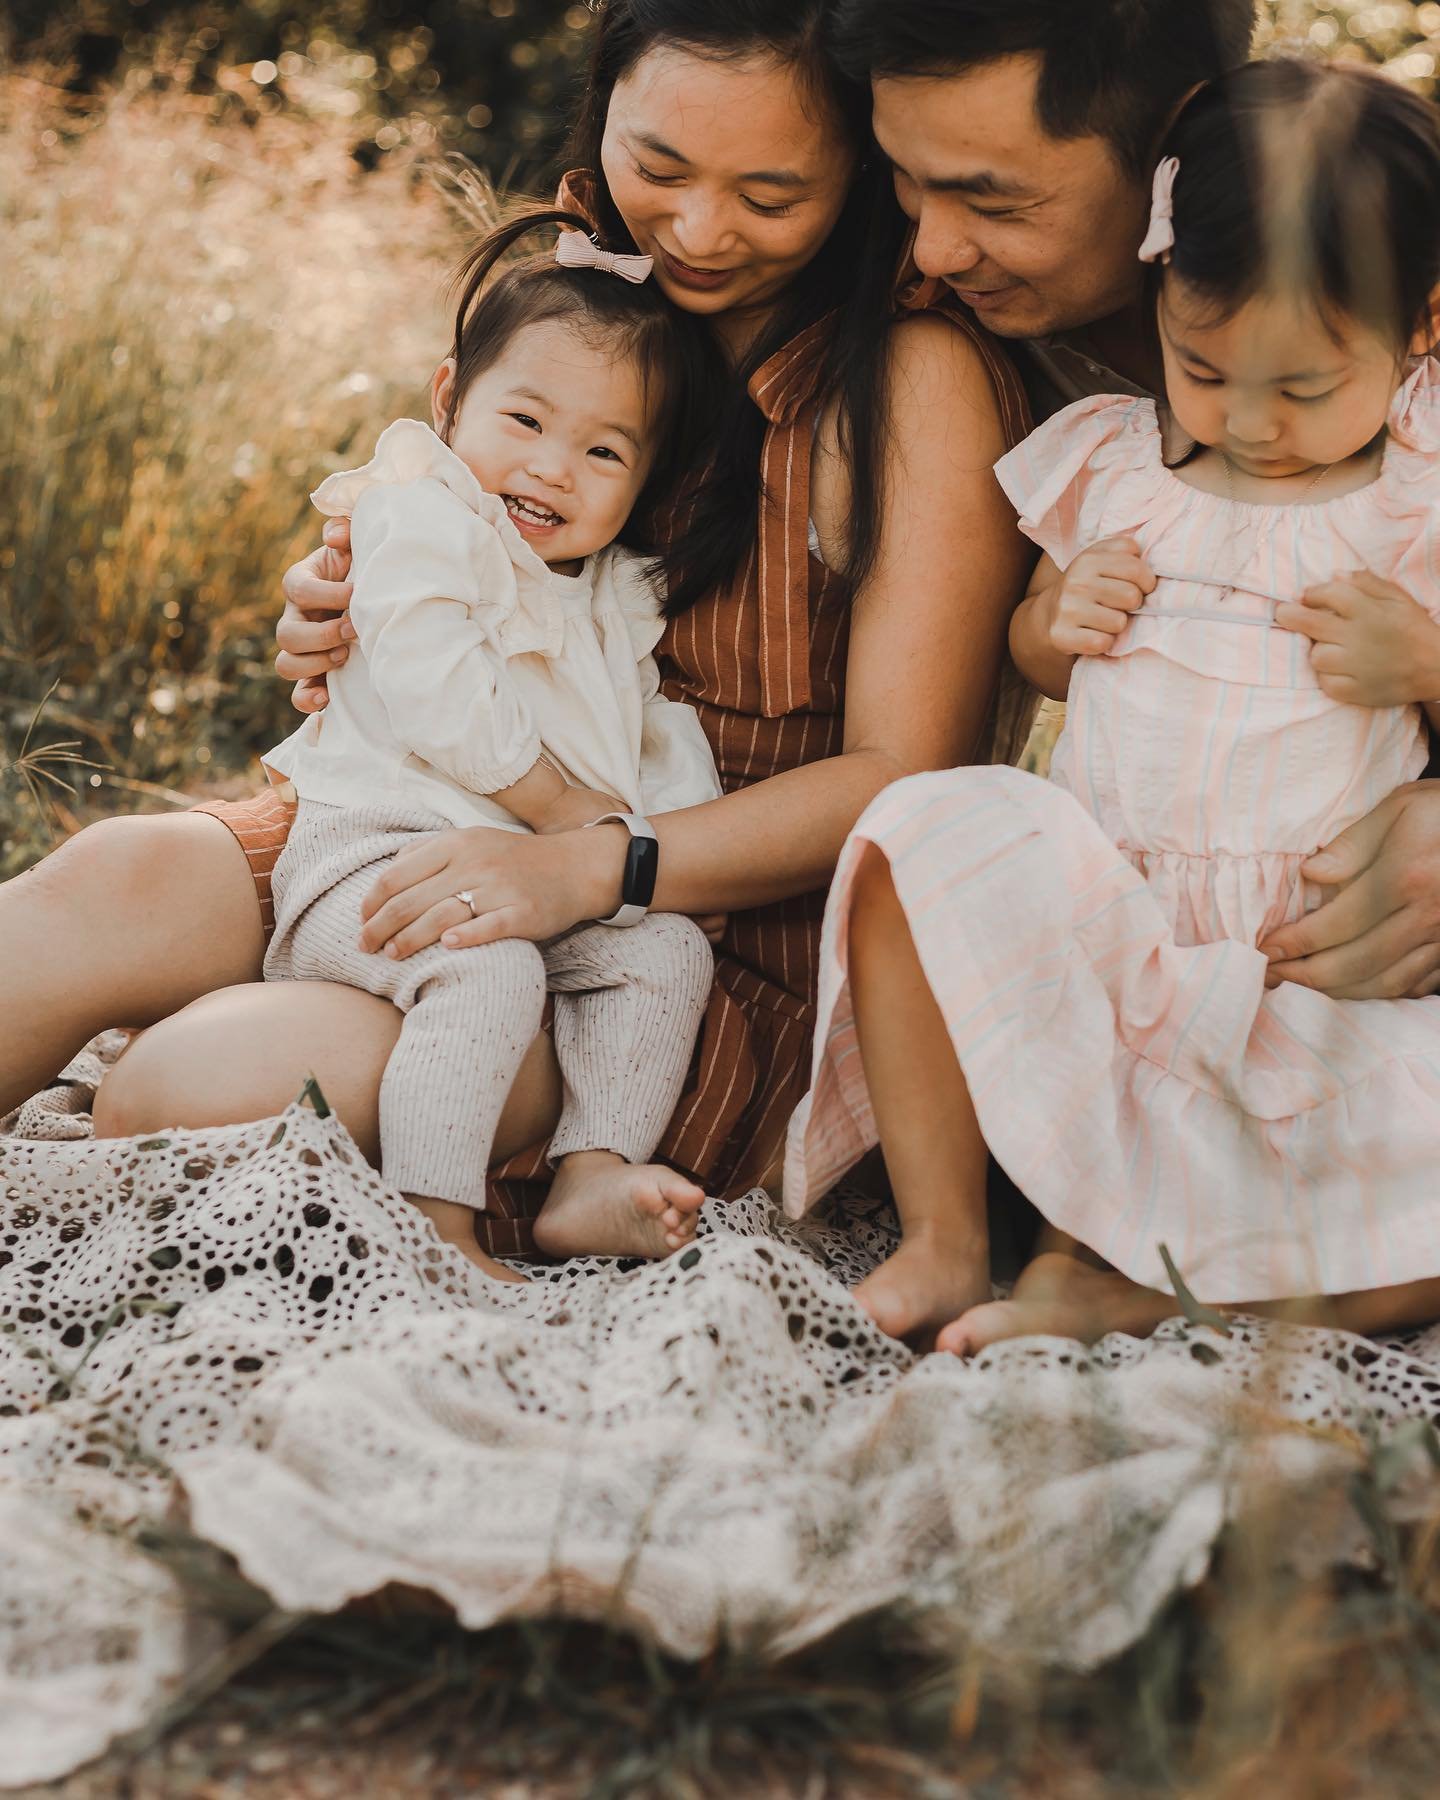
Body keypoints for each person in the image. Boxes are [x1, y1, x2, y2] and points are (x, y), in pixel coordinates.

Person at [1, 0, 1032, 1256]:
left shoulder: (905, 384)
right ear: (602, 121)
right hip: (423, 829)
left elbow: (906, 777)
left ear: (864, 181)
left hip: (677, 940)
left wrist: (591, 862)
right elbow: (461, 543)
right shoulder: (580, 311)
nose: (700, 230)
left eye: (772, 195)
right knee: (108, 877)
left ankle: (512, 1161)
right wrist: (349, 604)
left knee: (172, 1089)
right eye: (657, 167)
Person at [786, 57, 1440, 1350]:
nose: (1251, 422)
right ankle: (945, 1238)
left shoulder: (1420, 482)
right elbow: (1037, 652)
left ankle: (1133, 1292)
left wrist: (1425, 660)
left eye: (1304, 390)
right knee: (927, 830)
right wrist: (1056, 618)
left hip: (1310, 982)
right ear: (1163, 293)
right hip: (1107, 931)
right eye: (1205, 370)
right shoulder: (1116, 461)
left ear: (1422, 327)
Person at [263, 211, 729, 1276]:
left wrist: (664, 845)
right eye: (523, 419)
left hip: (529, 879)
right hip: (369, 857)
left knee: (666, 952)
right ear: (449, 401)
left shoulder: (616, 593)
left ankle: (590, 1172)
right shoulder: (417, 519)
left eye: (603, 450)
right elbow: (437, 688)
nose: (553, 468)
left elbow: (653, 733)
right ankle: (435, 1218)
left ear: (644, 479)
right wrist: (571, 818)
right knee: (490, 970)